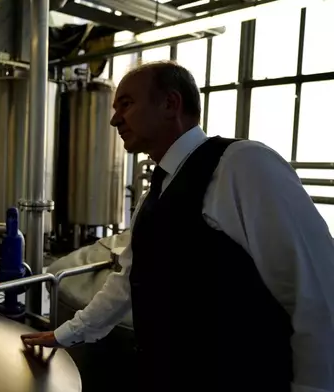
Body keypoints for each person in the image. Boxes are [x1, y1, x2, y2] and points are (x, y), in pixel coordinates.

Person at [21, 61, 334, 392]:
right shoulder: (156, 191)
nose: (114, 120)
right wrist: (67, 333)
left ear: (170, 104)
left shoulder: (243, 165)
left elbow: (315, 291)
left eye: (126, 104)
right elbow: (128, 283)